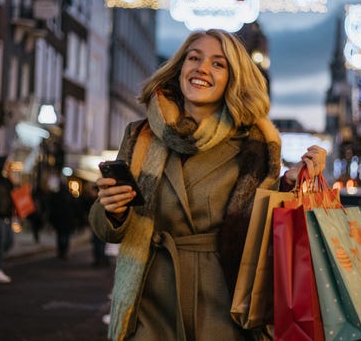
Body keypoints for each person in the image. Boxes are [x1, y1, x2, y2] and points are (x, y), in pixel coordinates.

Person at [89, 29, 327, 340]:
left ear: (233, 78)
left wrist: (290, 185)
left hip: (223, 304)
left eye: (218, 64)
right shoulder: (141, 135)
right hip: (150, 302)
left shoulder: (255, 144)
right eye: (194, 58)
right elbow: (106, 229)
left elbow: (265, 231)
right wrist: (113, 210)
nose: (202, 68)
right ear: (180, 68)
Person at [48, 177, 80, 260]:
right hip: (67, 220)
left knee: (60, 236)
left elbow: (52, 208)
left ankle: (61, 251)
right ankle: (64, 251)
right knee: (65, 236)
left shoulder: (56, 196)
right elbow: (75, 208)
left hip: (59, 220)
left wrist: (51, 220)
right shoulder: (70, 196)